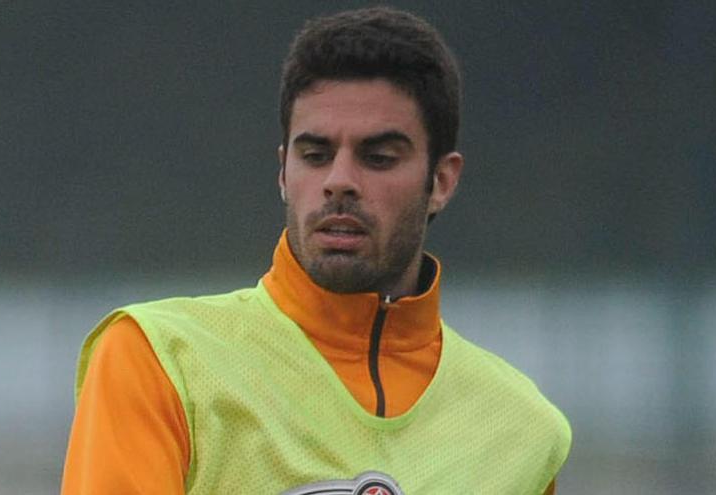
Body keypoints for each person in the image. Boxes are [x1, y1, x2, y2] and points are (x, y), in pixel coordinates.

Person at [61, 6, 570, 494]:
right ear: (284, 172)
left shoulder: (523, 429)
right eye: (316, 154)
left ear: (440, 181)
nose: (339, 182)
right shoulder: (160, 361)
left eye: (378, 157)